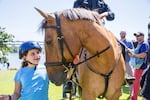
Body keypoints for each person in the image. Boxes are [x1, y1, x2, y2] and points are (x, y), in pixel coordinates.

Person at [128, 32, 149, 100]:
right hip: (138, 67)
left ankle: (134, 98)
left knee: (136, 83)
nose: (137, 37)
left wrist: (134, 55)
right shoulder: (140, 44)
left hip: (141, 67)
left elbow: (143, 55)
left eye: (138, 36)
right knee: (137, 82)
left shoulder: (144, 44)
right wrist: (132, 53)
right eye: (136, 36)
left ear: (143, 36)